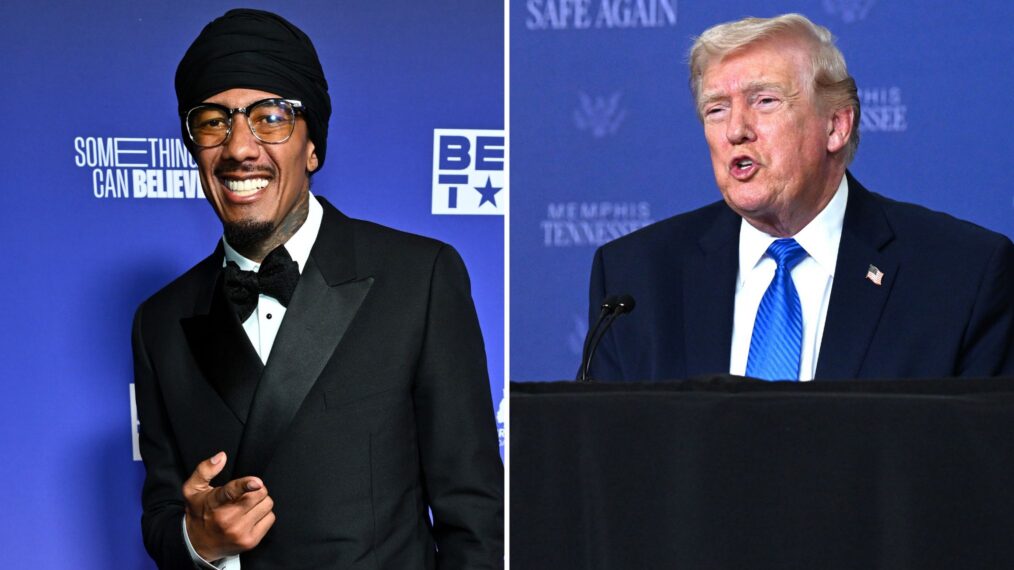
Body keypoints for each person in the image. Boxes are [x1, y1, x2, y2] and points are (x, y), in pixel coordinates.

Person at [132, 9, 503, 569]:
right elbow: (163, 511)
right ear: (194, 148)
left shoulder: (418, 278)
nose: (239, 148)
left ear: (312, 147)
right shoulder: (160, 322)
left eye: (271, 118)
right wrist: (199, 541)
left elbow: (475, 515)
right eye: (213, 121)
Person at [588, 13, 1014, 382]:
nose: (736, 129)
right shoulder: (636, 279)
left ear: (836, 126)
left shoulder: (960, 275)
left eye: (765, 101)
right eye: (716, 109)